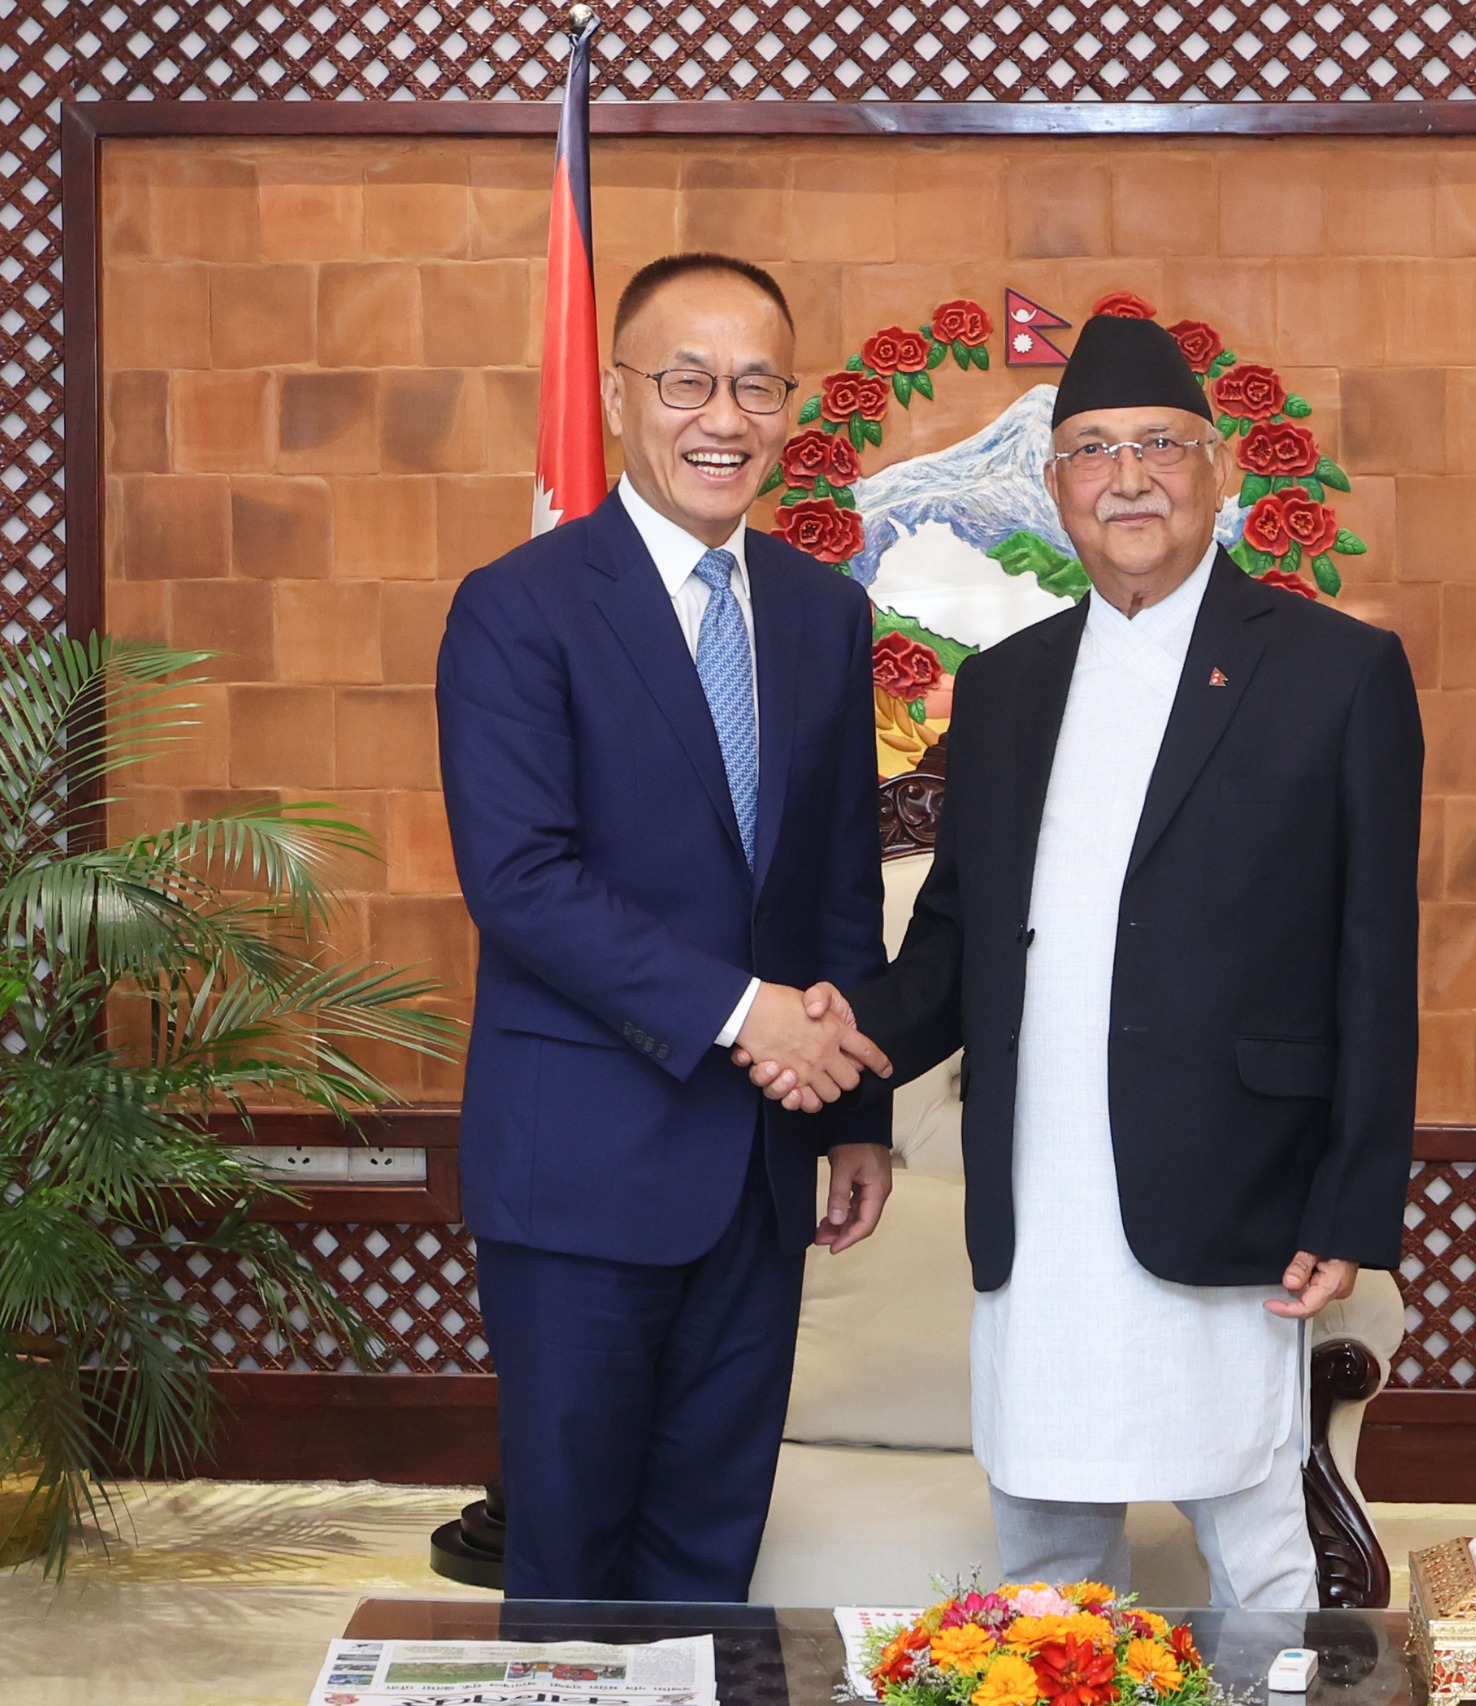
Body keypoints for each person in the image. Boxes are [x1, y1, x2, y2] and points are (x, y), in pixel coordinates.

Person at [742, 314, 1424, 1608]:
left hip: (1231, 1183)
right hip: (1042, 1187)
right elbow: (953, 938)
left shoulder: (1337, 673)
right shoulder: (1007, 685)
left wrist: (1352, 1211)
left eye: (1160, 445)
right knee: (1050, 1549)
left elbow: (1377, 961)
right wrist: (845, 1036)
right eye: (1094, 450)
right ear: (1055, 486)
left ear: (1217, 468)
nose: (1128, 478)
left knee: (1260, 1552)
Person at [436, 252, 894, 1602]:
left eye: (758, 386)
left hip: (761, 1171)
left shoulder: (823, 611)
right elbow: (522, 879)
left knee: (708, 1560)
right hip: (581, 1167)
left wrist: (856, 1112)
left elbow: (840, 884)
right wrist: (745, 1013)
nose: (724, 418)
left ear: (790, 407)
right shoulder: (518, 605)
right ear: (619, 396)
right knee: (573, 1565)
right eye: (688, 382)